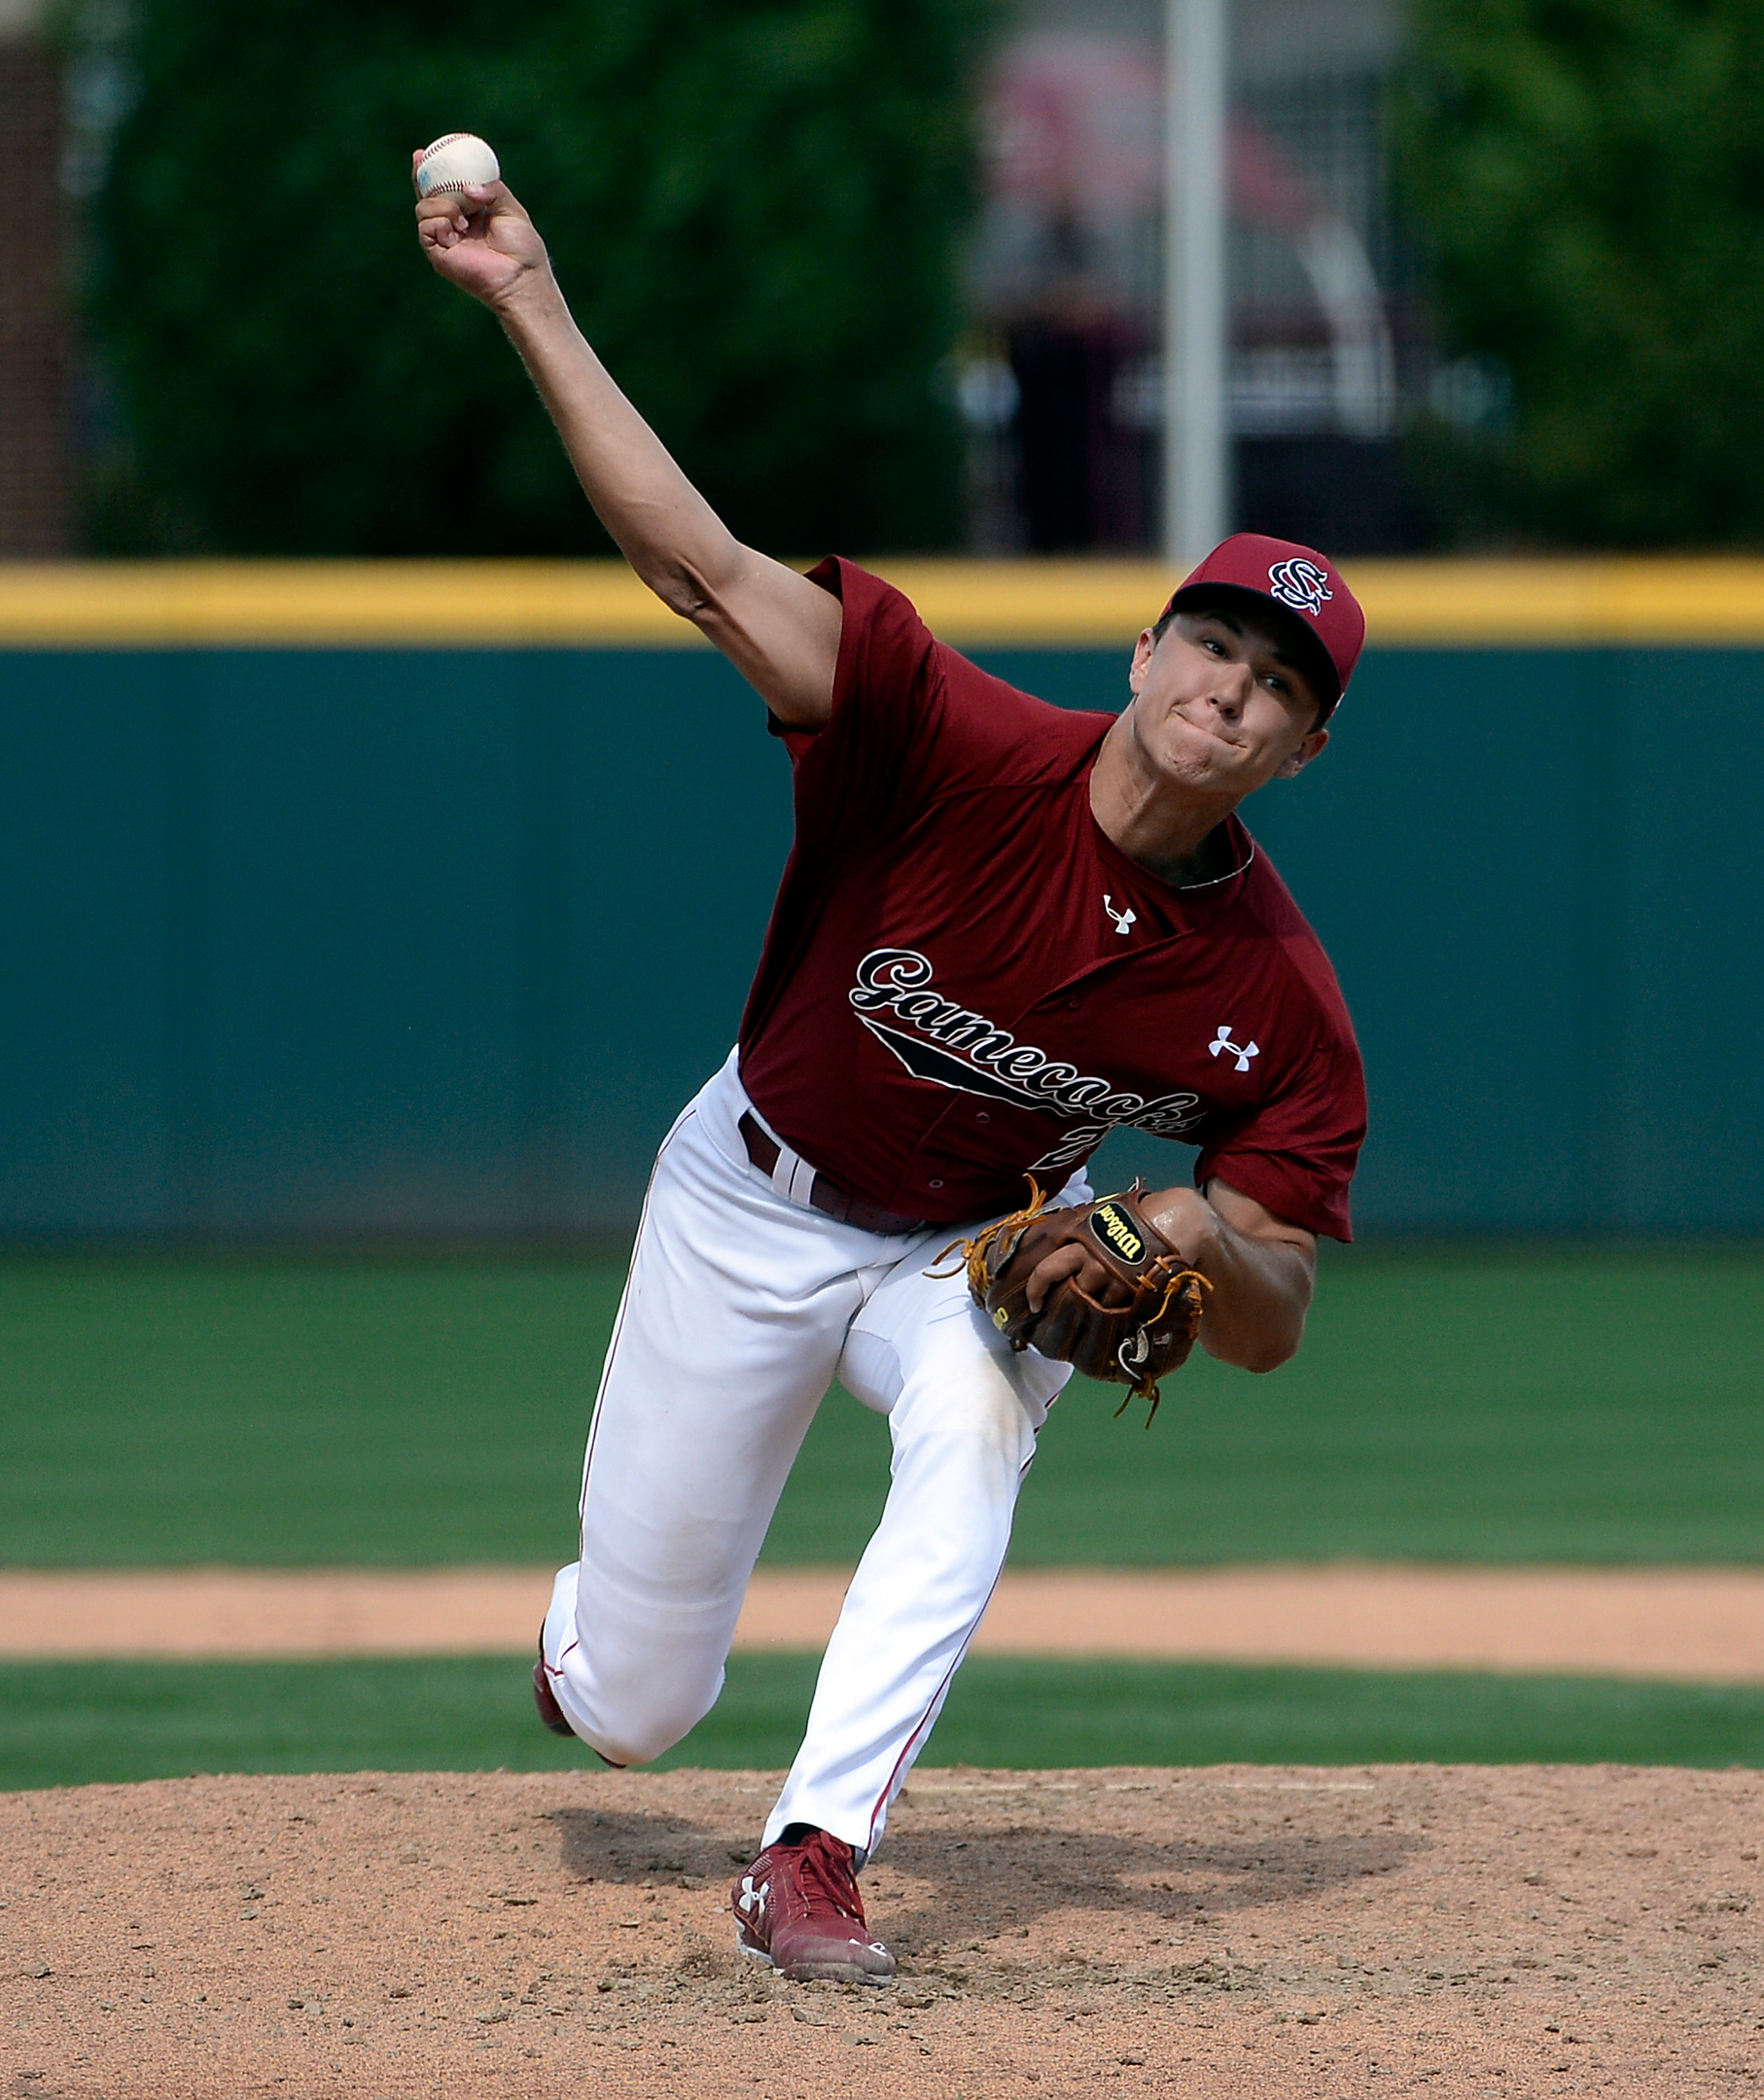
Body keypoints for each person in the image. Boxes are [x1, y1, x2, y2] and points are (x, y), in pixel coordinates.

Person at [415, 160, 1367, 1986]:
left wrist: (1188, 1226)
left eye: (1279, 687)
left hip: (968, 1243)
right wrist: (529, 295)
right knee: (634, 1706)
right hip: (746, 1195)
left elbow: (1271, 1309)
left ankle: (815, 1851)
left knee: (983, 1417)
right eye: (1216, 644)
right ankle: (585, 1646)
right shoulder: (943, 730)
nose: (1232, 691)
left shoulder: (1273, 995)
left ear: (1303, 752)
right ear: (1147, 646)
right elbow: (697, 570)